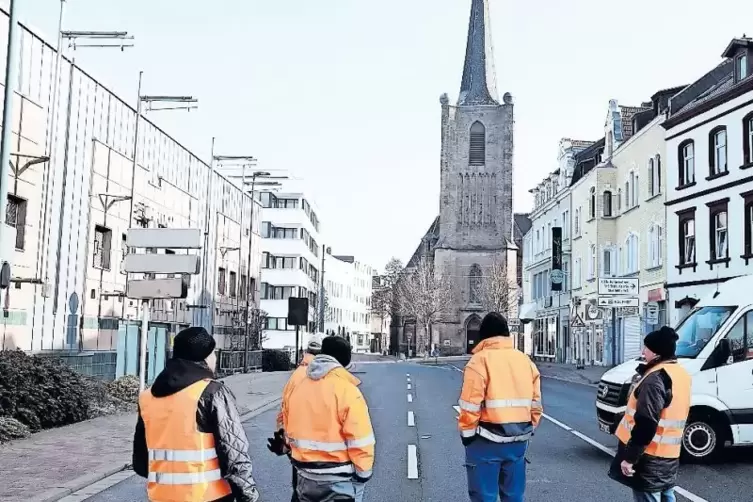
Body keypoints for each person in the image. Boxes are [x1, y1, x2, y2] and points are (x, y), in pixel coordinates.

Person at [132, 326, 260, 502]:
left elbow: (140, 462)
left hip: (161, 496)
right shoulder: (211, 392)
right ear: (205, 357)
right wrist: (248, 494)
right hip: (208, 495)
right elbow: (234, 451)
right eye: (213, 353)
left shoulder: (147, 397)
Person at [457, 312, 542, 502]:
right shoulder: (525, 361)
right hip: (518, 440)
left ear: (483, 336)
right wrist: (530, 429)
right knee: (514, 496)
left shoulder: (479, 362)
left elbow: (470, 405)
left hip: (485, 441)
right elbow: (536, 404)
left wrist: (467, 436)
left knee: (484, 496)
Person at [283, 335, 375, 502]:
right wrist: (363, 474)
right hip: (338, 480)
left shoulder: (299, 386)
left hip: (304, 476)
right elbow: (360, 439)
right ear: (344, 361)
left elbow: (288, 426)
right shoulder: (347, 391)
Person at [609, 326, 691, 502]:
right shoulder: (680, 374)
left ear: (656, 352)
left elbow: (646, 424)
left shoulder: (655, 379)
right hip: (669, 456)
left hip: (649, 457)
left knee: (649, 496)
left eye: (646, 347)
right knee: (666, 495)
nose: (642, 351)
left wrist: (630, 459)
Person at [268, 335, 324, 502]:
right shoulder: (321, 375)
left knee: (300, 490)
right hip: (318, 446)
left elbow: (283, 411)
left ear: (306, 351)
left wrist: (283, 439)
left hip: (297, 445)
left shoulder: (296, 375)